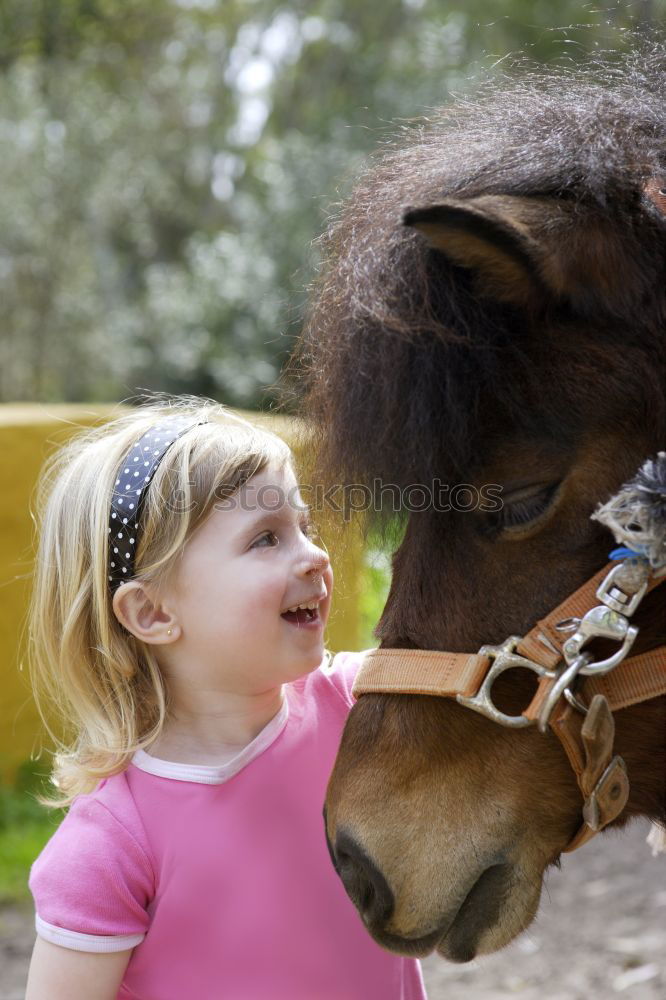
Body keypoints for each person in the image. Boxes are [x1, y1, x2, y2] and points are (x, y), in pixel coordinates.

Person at [24, 396, 427, 1000]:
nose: (316, 555)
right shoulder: (110, 845)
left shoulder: (360, 707)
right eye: (266, 539)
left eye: (305, 526)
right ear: (152, 612)